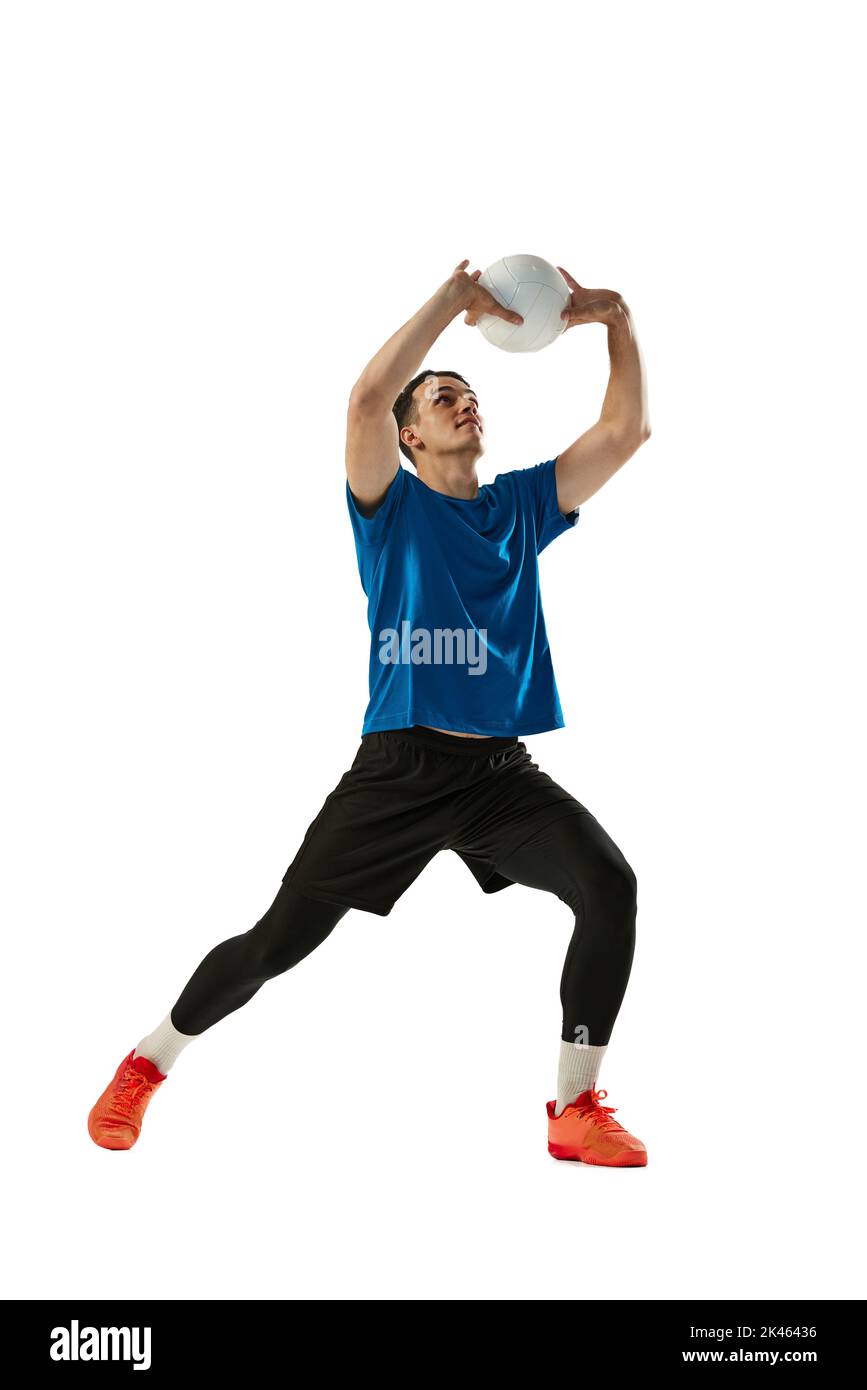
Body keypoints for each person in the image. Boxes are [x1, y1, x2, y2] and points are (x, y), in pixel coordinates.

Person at [88, 257, 652, 1165]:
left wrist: (615, 318)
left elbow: (626, 431)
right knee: (277, 943)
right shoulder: (386, 510)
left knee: (609, 888)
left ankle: (574, 1109)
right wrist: (455, 300)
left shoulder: (519, 507)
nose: (461, 401)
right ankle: (146, 1066)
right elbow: (363, 400)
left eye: (468, 392)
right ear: (408, 442)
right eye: (437, 397)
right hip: (398, 770)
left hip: (497, 776)